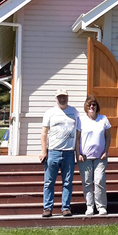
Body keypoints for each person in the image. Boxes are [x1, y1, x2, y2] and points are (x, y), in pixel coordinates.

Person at [39, 88, 81, 218]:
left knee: (67, 182)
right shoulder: (50, 113)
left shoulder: (74, 112)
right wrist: (44, 151)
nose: (62, 99)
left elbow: (78, 133)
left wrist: (77, 152)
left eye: (64, 96)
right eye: (59, 97)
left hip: (69, 152)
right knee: (49, 182)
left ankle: (66, 207)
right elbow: (44, 133)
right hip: (53, 152)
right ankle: (47, 208)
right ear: (56, 98)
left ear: (67, 97)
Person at [78, 95, 111, 216]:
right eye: (89, 105)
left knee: (99, 181)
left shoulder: (103, 119)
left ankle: (101, 206)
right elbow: (77, 139)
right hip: (85, 157)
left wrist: (106, 151)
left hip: (100, 157)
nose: (92, 107)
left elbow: (108, 137)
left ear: (97, 107)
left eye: (94, 105)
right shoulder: (81, 120)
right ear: (86, 107)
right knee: (87, 182)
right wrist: (78, 154)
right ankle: (90, 206)